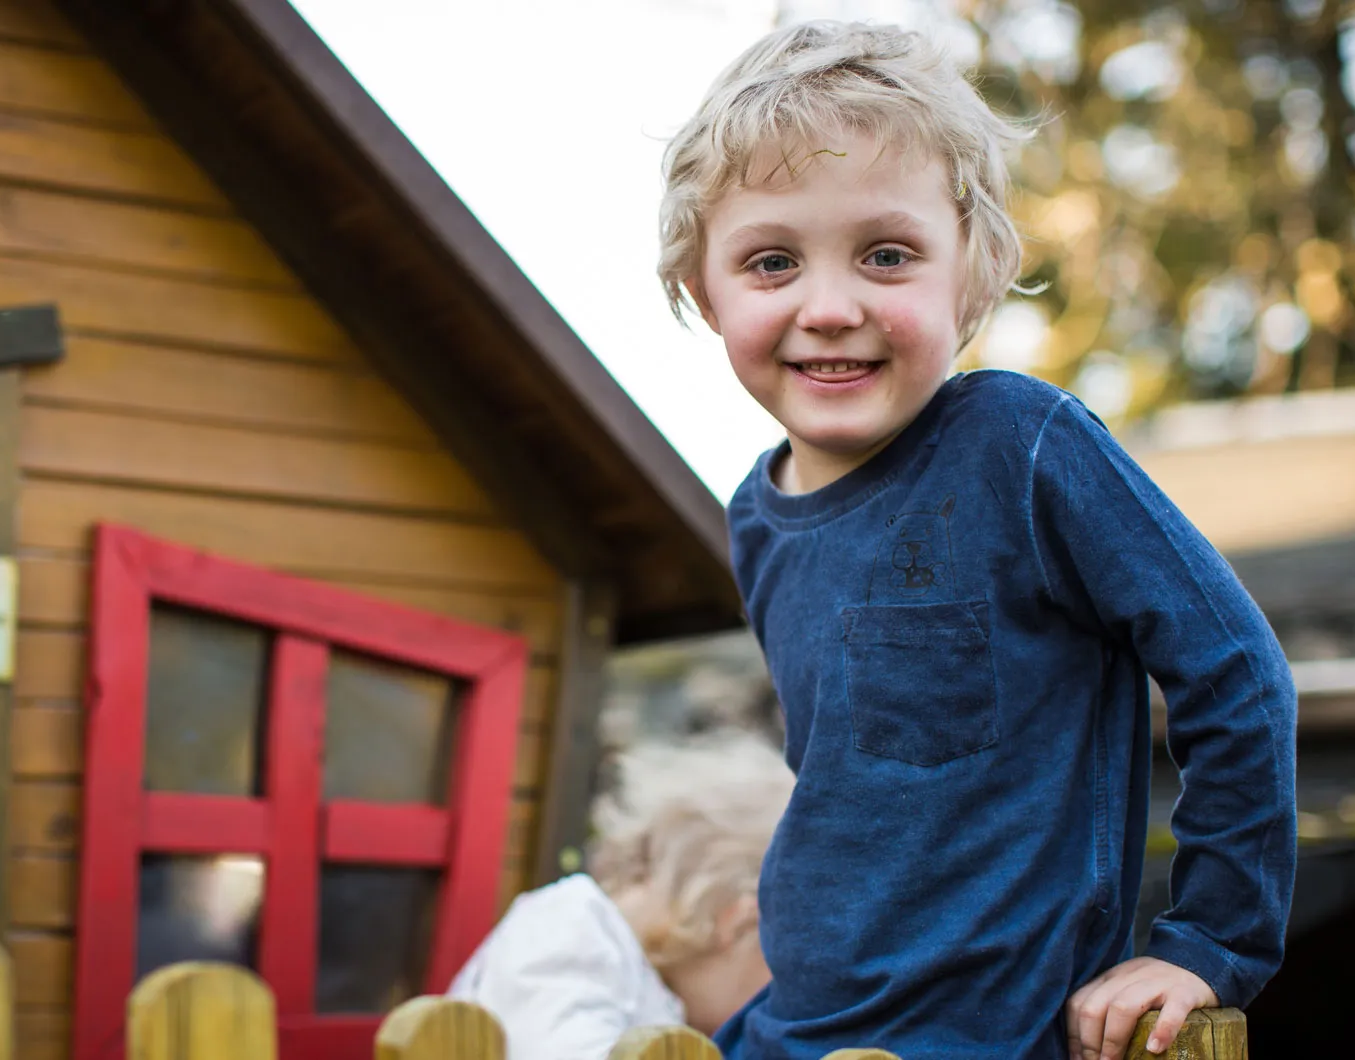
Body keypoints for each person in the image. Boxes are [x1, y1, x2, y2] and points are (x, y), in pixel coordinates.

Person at [655, 20, 1297, 1060]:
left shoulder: (1020, 444)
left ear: (975, 273)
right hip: (799, 1029)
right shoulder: (753, 514)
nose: (829, 306)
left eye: (887, 255)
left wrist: (1208, 942)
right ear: (703, 291)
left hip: (992, 1036)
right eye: (771, 262)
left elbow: (1238, 675)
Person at [447, 731, 794, 1060]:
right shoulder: (570, 930)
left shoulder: (653, 990)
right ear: (739, 922)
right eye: (787, 975)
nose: (783, 1002)